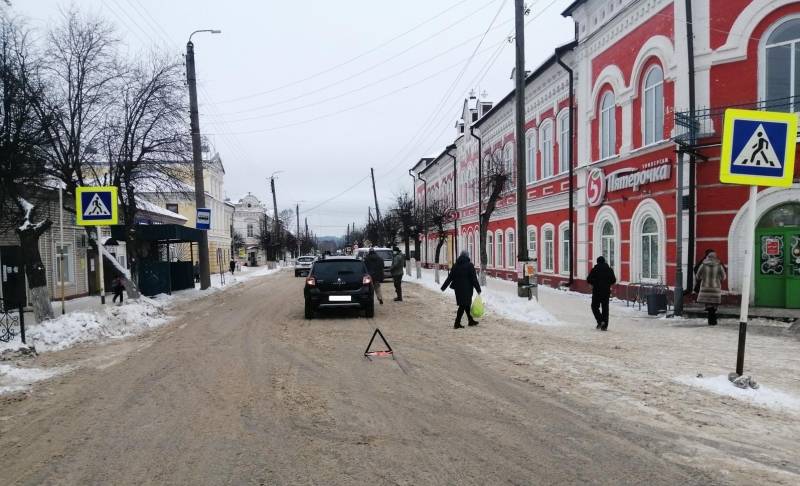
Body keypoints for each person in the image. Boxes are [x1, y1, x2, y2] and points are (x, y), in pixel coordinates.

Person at [440, 251, 481, 329]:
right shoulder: (470, 265)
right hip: (467, 289)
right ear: (467, 256)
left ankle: (470, 320)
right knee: (463, 305)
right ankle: (457, 323)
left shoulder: (456, 265)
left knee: (466, 305)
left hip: (458, 289)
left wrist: (443, 287)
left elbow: (450, 277)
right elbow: (474, 279)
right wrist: (478, 289)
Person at [695, 249, 726, 326]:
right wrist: (718, 278)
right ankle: (713, 321)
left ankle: (710, 321)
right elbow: (724, 277)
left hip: (705, 288)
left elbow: (697, 276)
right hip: (715, 288)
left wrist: (703, 277)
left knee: (709, 305)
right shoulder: (719, 265)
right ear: (715, 256)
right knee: (714, 305)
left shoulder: (703, 265)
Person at [586, 256, 617, 331]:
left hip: (597, 291)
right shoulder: (609, 270)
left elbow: (588, 279)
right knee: (605, 308)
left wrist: (595, 282)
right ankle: (604, 326)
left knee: (594, 306)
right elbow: (613, 280)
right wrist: (607, 283)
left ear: (597, 262)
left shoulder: (595, 269)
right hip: (606, 292)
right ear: (604, 261)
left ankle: (600, 321)